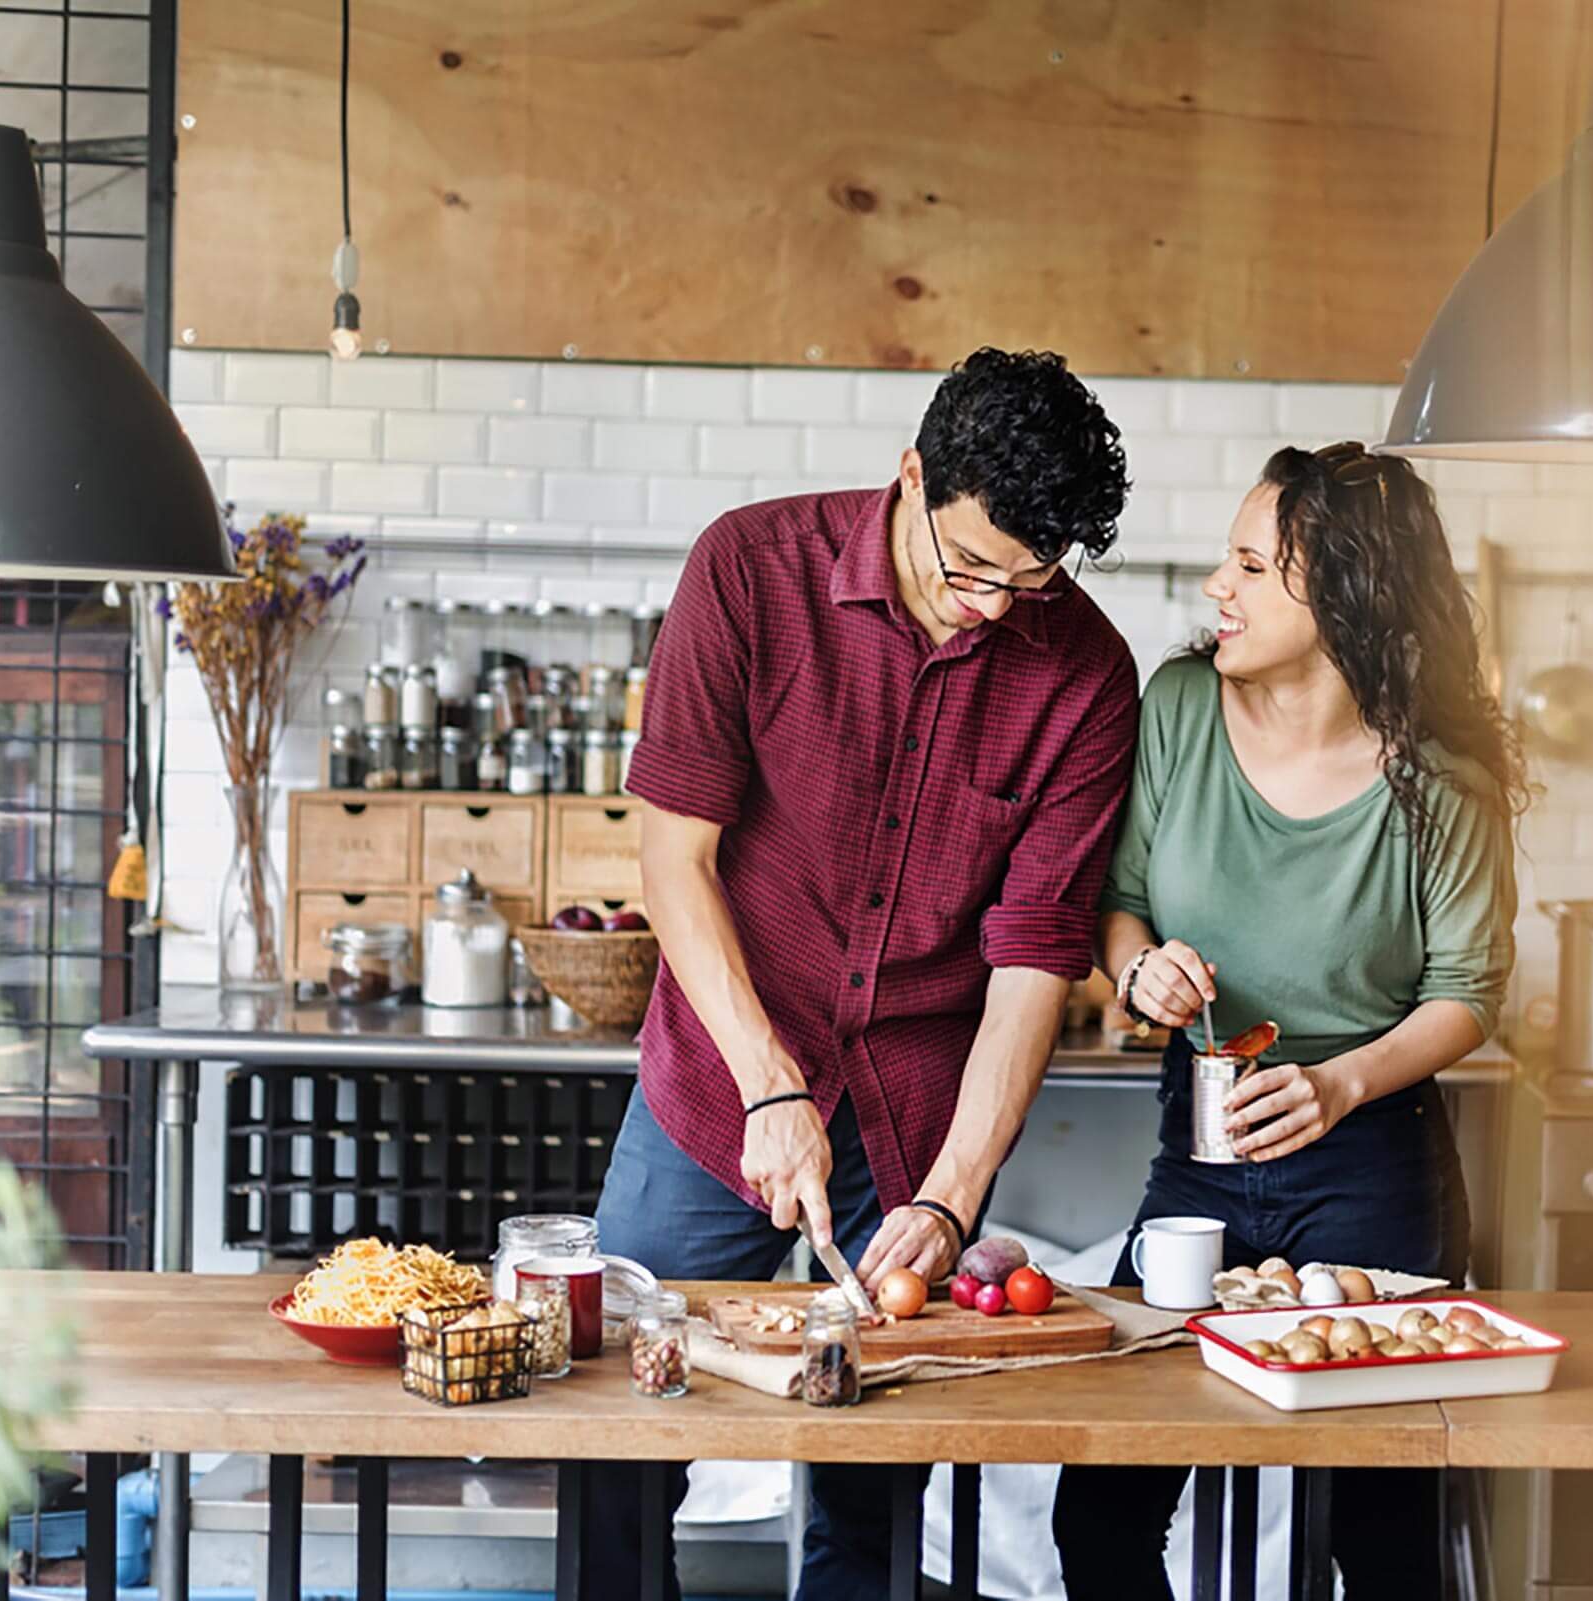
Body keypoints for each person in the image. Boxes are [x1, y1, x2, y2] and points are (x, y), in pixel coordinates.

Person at [595, 348, 1139, 1598]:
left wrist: (950, 1200)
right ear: (909, 478)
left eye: (1036, 577)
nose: (999, 605)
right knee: (623, 1425)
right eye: (973, 567)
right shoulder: (748, 568)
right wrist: (770, 1087)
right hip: (720, 1082)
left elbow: (1034, 960)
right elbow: (675, 858)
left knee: (879, 1472)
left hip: (916, 1107)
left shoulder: (1088, 676)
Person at [1051, 441, 1522, 1600]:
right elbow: (1121, 906)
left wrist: (1342, 1083)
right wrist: (1140, 968)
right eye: (1231, 555)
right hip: (1199, 1155)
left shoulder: (1441, 773)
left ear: (1348, 593)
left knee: (1388, 1534)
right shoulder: (1178, 707)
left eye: (1254, 564)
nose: (1220, 583)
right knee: (1101, 1509)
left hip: (1373, 1164)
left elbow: (1469, 989)